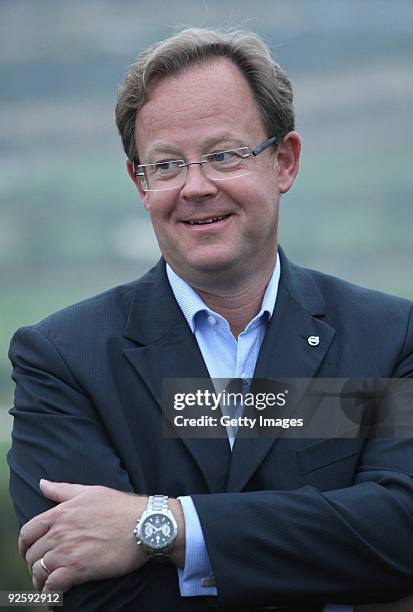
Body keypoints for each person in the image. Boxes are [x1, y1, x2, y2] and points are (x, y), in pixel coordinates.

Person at [8, 28, 413, 612]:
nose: (196, 187)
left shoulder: (389, 338)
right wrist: (328, 555)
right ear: (139, 183)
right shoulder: (63, 359)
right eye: (167, 164)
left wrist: (165, 525)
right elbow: (91, 591)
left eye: (223, 155)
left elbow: (400, 532)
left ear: (285, 162)